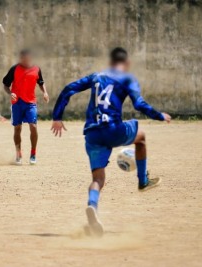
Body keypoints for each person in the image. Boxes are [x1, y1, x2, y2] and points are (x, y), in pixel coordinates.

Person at [50, 47, 171, 236]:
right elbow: (139, 104)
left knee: (97, 179)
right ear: (126, 62)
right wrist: (159, 116)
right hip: (113, 129)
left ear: (111, 61)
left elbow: (69, 89)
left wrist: (57, 117)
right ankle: (143, 181)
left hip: (92, 134)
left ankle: (92, 206)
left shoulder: (96, 76)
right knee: (141, 137)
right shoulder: (127, 78)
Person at [3, 49, 49, 165]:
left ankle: (33, 154)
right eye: (23, 58)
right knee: (17, 128)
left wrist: (45, 92)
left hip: (30, 103)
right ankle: (18, 154)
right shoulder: (14, 69)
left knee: (33, 126)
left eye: (27, 58)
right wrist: (10, 93)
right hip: (17, 103)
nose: (25, 60)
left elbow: (41, 82)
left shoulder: (37, 69)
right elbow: (6, 84)